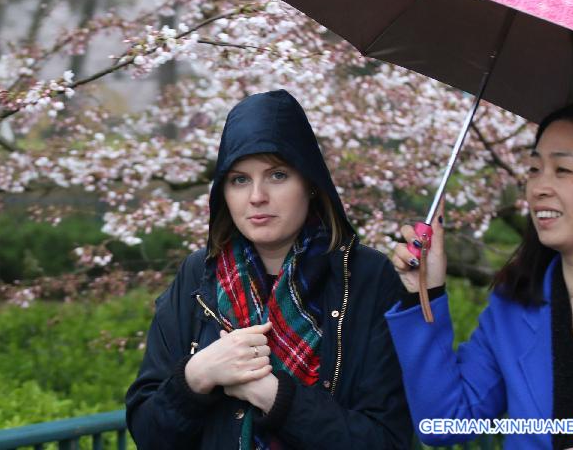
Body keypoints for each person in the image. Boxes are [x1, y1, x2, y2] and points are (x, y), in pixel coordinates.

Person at [126, 89, 412, 449]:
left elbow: (387, 440)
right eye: (239, 179)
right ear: (223, 193)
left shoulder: (367, 277)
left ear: (309, 183)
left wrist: (275, 396)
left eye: (277, 175)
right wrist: (196, 375)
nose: (256, 196)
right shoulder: (198, 276)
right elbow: (148, 433)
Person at [386, 97, 573, 450]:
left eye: (563, 170)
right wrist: (423, 293)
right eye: (534, 170)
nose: (539, 188)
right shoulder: (515, 307)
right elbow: (444, 422)